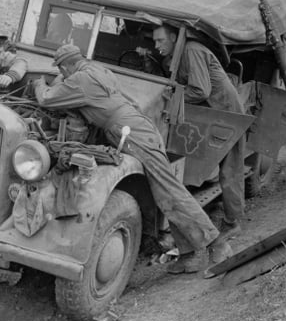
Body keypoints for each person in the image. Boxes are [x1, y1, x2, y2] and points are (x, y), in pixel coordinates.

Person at [32, 44, 232, 274]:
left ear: (66, 66)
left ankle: (217, 244)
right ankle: (189, 254)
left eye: (61, 69)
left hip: (130, 133)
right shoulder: (97, 70)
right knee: (162, 194)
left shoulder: (80, 80)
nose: (62, 74)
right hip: (136, 127)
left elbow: (46, 99)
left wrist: (40, 83)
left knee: (170, 191)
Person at [152, 25, 246, 240]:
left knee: (230, 169)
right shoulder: (178, 54)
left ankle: (234, 222)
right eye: (155, 41)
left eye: (160, 41)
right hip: (211, 111)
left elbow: (200, 90)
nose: (156, 45)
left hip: (226, 114)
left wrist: (171, 97)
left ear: (174, 38)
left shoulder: (192, 50)